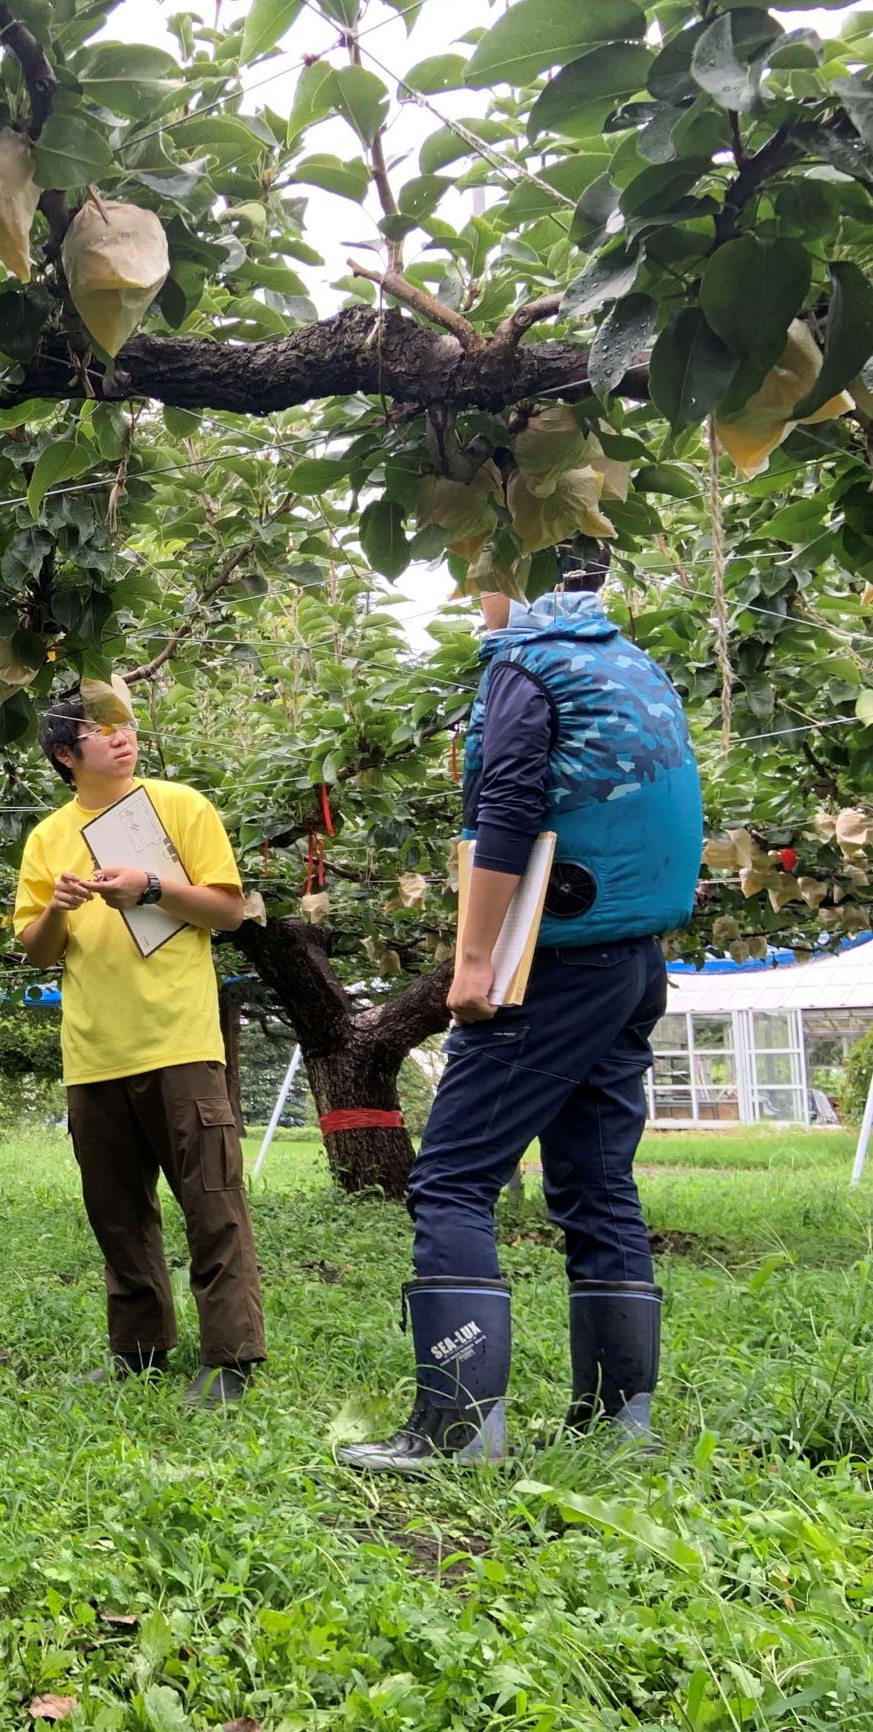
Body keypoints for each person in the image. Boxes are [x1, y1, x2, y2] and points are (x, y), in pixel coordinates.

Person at [339, 543, 701, 1473]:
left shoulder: (522, 667)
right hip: (630, 956)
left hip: (550, 960)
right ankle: (618, 1425)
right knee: (594, 1181)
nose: (471, 595)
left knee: (451, 1176)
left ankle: (456, 1430)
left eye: (478, 576)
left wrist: (472, 964)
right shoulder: (628, 660)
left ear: (519, 579)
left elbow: (505, 804)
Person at [13, 691, 263, 1403]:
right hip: (92, 1049)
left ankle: (230, 1359)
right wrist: (56, 913)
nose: (120, 738)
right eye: (98, 731)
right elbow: (34, 953)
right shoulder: (47, 838)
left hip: (178, 1040)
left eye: (121, 724)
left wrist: (150, 885)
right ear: (66, 754)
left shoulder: (179, 806)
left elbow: (229, 910)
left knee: (211, 1201)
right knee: (116, 1211)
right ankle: (139, 1349)